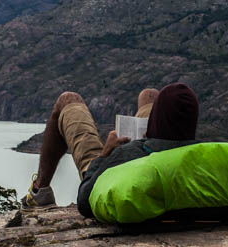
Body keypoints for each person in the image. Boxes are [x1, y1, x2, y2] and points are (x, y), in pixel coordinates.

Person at [23, 83, 200, 209]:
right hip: (172, 153)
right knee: (149, 96)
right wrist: (158, 136)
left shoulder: (119, 157)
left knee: (68, 100)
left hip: (113, 170)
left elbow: (86, 197)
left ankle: (40, 191)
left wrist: (106, 155)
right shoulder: (207, 160)